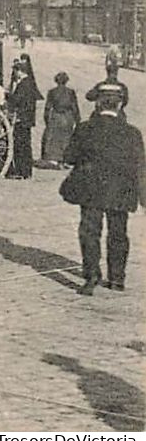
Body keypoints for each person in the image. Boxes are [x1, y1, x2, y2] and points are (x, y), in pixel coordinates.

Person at [60, 90, 143, 294]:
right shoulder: (132, 133)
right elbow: (141, 167)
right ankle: (117, 279)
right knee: (118, 233)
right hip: (121, 191)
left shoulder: (85, 129)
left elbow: (69, 157)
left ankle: (91, 276)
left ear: (98, 105)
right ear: (120, 106)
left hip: (91, 190)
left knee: (89, 232)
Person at [7, 55, 42, 179]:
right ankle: (25, 171)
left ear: (20, 71)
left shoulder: (24, 84)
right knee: (25, 145)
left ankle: (22, 171)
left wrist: (7, 96)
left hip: (22, 119)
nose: (15, 74)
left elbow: (17, 100)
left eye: (16, 71)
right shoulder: (29, 83)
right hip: (26, 119)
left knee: (21, 145)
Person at [43, 71, 81, 167]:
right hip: (68, 116)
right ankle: (65, 159)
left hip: (56, 116)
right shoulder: (70, 92)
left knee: (54, 138)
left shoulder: (52, 92)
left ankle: (55, 158)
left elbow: (47, 108)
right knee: (66, 138)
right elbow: (75, 107)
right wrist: (77, 120)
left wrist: (47, 120)